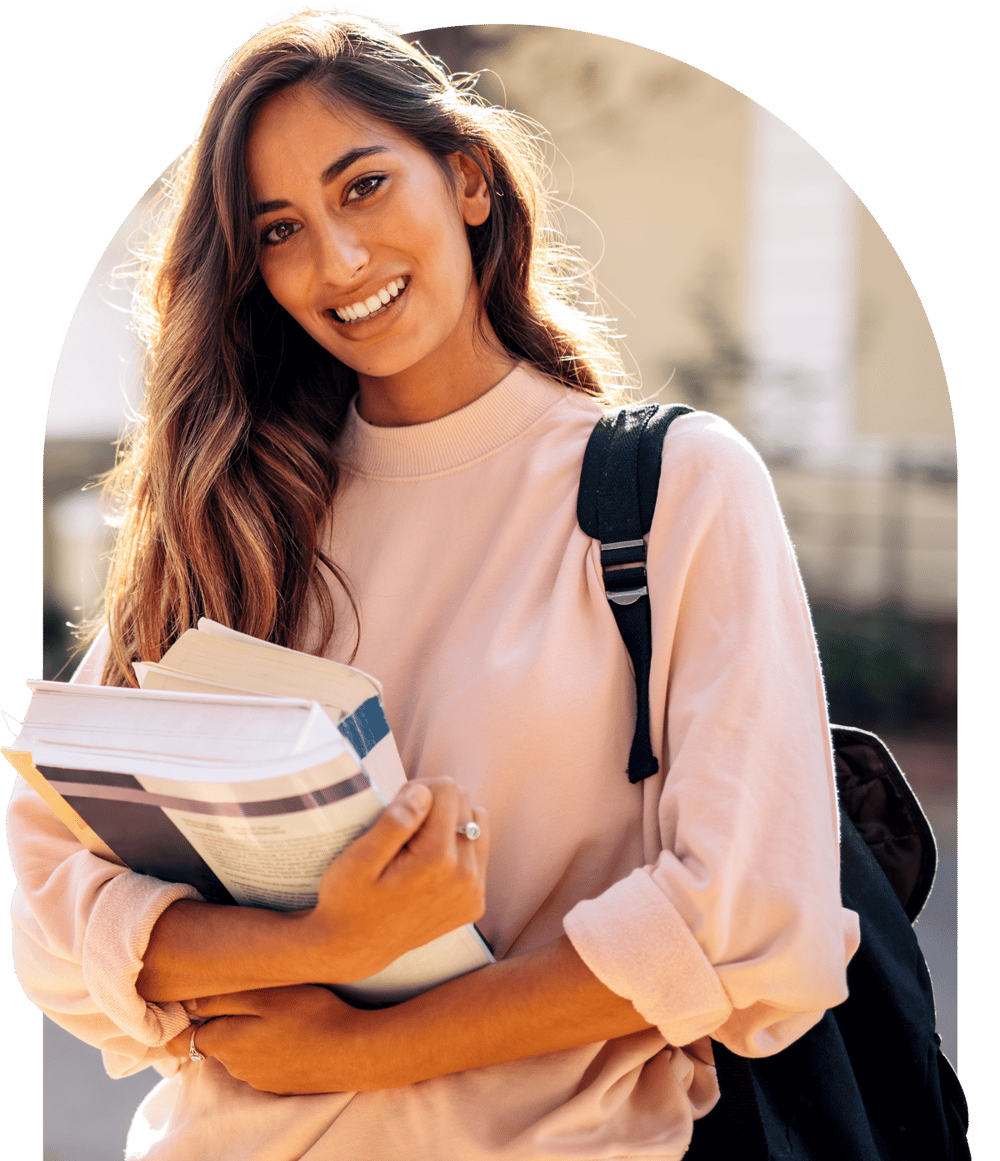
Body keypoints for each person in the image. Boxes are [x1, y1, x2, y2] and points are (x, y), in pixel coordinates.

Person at [7, 10, 860, 1160]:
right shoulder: (230, 513)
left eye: (363, 187)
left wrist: (359, 1049)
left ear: (465, 178)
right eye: (279, 231)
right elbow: (59, 913)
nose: (338, 263)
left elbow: (749, 923)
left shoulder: (670, 488)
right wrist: (325, 942)